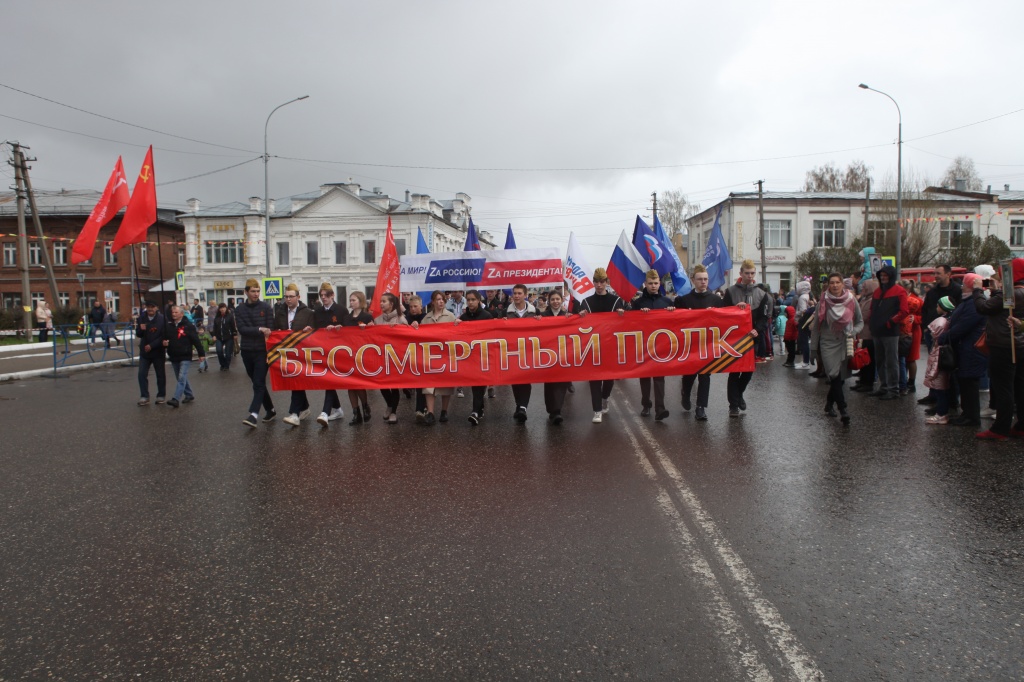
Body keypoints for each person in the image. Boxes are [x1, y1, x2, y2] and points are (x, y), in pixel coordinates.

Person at [972, 258, 1024, 440]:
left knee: (1003, 388)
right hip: (1019, 344)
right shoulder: (1016, 291)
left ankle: (1000, 429)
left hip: (1003, 345)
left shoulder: (1009, 294)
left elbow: (983, 307)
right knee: (1019, 386)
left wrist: (977, 289)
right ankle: (1020, 425)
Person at [675, 264, 727, 421]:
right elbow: (675, 321)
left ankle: (701, 407)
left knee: (705, 375)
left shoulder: (716, 300)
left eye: (705, 279)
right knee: (690, 375)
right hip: (690, 345)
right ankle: (685, 393)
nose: (703, 282)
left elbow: (725, 319)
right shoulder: (683, 300)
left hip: (708, 344)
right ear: (693, 280)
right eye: (700, 279)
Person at [811, 273, 863, 425]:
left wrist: (852, 332)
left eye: (837, 283)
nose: (834, 285)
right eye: (831, 283)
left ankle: (829, 404)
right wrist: (813, 348)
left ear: (842, 284)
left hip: (845, 342)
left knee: (839, 380)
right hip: (827, 343)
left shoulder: (851, 300)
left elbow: (860, 322)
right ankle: (843, 409)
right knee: (834, 375)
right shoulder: (823, 301)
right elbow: (816, 327)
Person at [579, 267, 626, 423]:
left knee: (609, 378)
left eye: (602, 282)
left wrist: (623, 313)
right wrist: (580, 316)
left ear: (607, 282)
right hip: (592, 346)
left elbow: (631, 320)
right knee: (594, 378)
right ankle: (597, 410)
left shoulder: (616, 301)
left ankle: (605, 397)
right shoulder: (586, 302)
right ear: (593, 283)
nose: (599, 285)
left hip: (611, 346)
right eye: (596, 282)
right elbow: (575, 322)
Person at [940, 274, 987, 428]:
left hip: (971, 349)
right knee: (965, 381)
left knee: (969, 383)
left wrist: (945, 337)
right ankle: (967, 414)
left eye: (964, 284)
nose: (961, 287)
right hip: (966, 348)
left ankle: (972, 417)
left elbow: (963, 326)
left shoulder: (973, 303)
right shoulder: (969, 301)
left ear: (969, 285)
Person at [723, 260, 767, 416]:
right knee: (734, 371)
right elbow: (722, 315)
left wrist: (757, 329)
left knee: (748, 370)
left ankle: (739, 394)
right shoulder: (730, 292)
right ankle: (733, 406)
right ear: (741, 273)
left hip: (752, 339)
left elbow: (764, 318)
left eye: (752, 273)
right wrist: (734, 309)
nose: (750, 276)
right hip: (735, 339)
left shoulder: (762, 294)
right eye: (747, 273)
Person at [632, 270, 675, 420]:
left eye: (656, 283)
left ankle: (660, 409)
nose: (653, 286)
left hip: (661, 346)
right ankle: (646, 404)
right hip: (643, 345)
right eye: (650, 283)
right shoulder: (637, 303)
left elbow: (674, 323)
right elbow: (630, 324)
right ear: (645, 284)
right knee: (644, 377)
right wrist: (639, 314)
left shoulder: (667, 302)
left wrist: (671, 313)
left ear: (660, 284)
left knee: (659, 377)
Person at [235, 278, 276, 428]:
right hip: (246, 351)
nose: (256, 294)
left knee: (258, 383)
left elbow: (270, 328)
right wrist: (259, 329)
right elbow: (242, 329)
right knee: (256, 382)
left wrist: (266, 332)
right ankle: (270, 410)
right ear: (246, 292)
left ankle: (253, 414)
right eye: (253, 291)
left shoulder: (266, 307)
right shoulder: (239, 309)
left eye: (258, 291)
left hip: (261, 351)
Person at [274, 284, 315, 426]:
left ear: (298, 297)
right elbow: (276, 329)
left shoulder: (308, 312)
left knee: (296, 379)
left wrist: (309, 330)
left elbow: (314, 332)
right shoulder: (280, 312)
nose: (288, 299)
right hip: (286, 352)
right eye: (286, 296)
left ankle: (294, 413)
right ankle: (304, 408)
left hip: (302, 352)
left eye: (291, 296)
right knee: (295, 380)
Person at [868, 265, 908, 401]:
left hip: (890, 331)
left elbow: (904, 311)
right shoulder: (877, 292)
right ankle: (884, 386)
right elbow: (872, 310)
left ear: (891, 276)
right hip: (877, 330)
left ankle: (893, 389)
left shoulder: (900, 291)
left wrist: (891, 322)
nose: (883, 277)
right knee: (880, 360)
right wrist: (871, 322)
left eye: (885, 275)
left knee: (892, 361)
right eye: (881, 275)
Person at [313, 283, 349, 428]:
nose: (323, 298)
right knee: (328, 380)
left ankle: (325, 412)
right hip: (323, 351)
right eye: (321, 296)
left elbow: (348, 330)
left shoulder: (341, 310)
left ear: (332, 295)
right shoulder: (317, 311)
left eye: (326, 295)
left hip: (338, 351)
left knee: (329, 381)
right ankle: (338, 409)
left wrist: (337, 329)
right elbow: (315, 329)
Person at [454, 290, 493, 425]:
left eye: (473, 300)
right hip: (470, 356)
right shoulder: (463, 318)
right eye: (468, 300)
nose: (470, 302)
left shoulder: (487, 316)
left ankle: (475, 411)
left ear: (478, 300)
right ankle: (479, 409)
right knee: (475, 384)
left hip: (483, 356)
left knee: (479, 384)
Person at [420, 290, 457, 425]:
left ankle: (444, 411)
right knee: (429, 385)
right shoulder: (427, 318)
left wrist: (459, 325)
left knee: (446, 385)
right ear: (433, 302)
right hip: (430, 356)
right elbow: (420, 335)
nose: (441, 301)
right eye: (438, 299)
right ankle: (430, 412)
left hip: (446, 355)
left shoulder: (450, 316)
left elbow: (457, 334)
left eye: (442, 299)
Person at [373, 292, 408, 424]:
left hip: (396, 358)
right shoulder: (377, 320)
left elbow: (408, 338)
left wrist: (399, 330)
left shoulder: (401, 319)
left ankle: (393, 412)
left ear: (391, 304)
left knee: (394, 386)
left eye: (384, 301)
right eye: (380, 301)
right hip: (382, 357)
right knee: (382, 384)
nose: (381, 304)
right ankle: (389, 404)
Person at [162, 305, 205, 408]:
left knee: (181, 377)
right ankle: (189, 394)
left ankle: (176, 399)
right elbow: (165, 338)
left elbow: (196, 340)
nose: (174, 314)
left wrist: (201, 354)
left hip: (185, 355)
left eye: (176, 312)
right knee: (180, 377)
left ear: (181, 314)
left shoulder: (188, 326)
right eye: (173, 313)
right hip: (174, 355)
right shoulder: (169, 326)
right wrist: (164, 342)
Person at [539, 290, 572, 425]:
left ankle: (557, 410)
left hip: (563, 353)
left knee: (562, 383)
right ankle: (551, 409)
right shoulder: (543, 315)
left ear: (561, 300)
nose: (555, 302)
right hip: (548, 354)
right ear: (549, 301)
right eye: (553, 299)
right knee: (550, 383)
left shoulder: (567, 315)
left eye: (558, 299)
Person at [507, 284, 538, 422]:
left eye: (519, 293)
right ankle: (518, 405)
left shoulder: (534, 311)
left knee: (525, 378)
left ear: (525, 295)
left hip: (528, 350)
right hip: (512, 351)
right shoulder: (506, 312)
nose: (517, 295)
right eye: (515, 293)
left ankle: (523, 408)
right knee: (515, 379)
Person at [923, 298, 955, 424]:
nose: (936, 307)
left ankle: (941, 413)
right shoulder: (949, 320)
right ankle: (942, 411)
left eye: (938, 305)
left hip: (938, 355)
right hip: (941, 355)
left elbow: (933, 337)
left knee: (939, 385)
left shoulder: (941, 322)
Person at [344, 291, 374, 425]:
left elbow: (374, 334)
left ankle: (365, 405)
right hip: (348, 354)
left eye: (353, 300)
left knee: (358, 384)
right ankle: (356, 413)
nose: (351, 303)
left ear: (360, 301)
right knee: (350, 386)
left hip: (361, 354)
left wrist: (368, 328)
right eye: (350, 300)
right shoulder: (347, 318)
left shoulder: (367, 317)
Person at [135, 300, 167, 406]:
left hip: (158, 351)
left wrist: (152, 345)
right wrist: (141, 329)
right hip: (145, 352)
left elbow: (163, 335)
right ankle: (144, 395)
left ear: (156, 308)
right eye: (148, 307)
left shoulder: (162, 319)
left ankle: (161, 395)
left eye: (152, 307)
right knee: (141, 374)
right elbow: (139, 334)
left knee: (160, 374)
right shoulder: (141, 318)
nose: (150, 309)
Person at [850, 278, 879, 392]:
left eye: (865, 287)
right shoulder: (865, 299)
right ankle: (863, 380)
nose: (863, 289)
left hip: (868, 335)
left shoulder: (871, 300)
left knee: (868, 360)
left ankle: (868, 383)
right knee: (862, 358)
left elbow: (864, 316)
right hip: (862, 334)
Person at [899, 281, 924, 396]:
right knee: (902, 358)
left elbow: (924, 316)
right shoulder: (900, 299)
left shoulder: (917, 301)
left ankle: (911, 383)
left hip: (913, 331)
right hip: (901, 331)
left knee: (911, 358)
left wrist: (916, 319)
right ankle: (903, 382)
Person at [212, 303, 237, 371]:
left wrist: (235, 334)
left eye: (224, 307)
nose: (222, 309)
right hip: (219, 337)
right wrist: (214, 335)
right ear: (219, 309)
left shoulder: (230, 316)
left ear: (226, 308)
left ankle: (226, 365)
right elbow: (215, 327)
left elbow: (233, 326)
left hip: (229, 337)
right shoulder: (217, 317)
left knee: (228, 353)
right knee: (219, 351)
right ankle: (222, 364)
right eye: (221, 308)